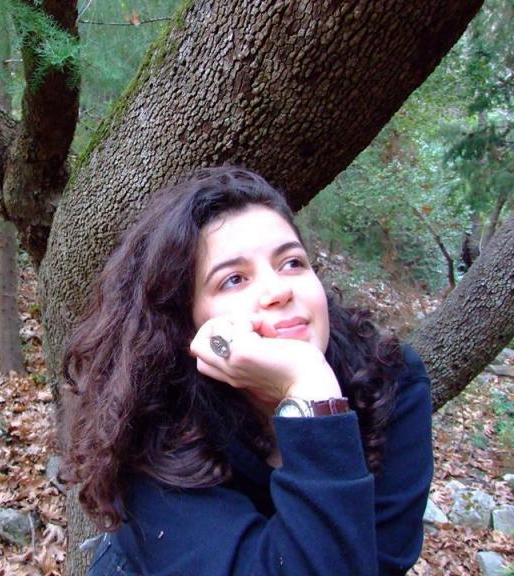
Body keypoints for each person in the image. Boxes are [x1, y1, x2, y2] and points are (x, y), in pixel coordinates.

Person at [61, 166, 433, 575]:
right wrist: (312, 393)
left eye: (292, 262)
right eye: (234, 279)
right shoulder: (149, 420)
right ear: (184, 322)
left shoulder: (388, 380)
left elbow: (381, 561)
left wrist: (309, 389)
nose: (279, 290)